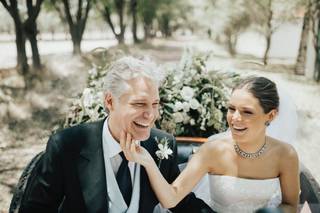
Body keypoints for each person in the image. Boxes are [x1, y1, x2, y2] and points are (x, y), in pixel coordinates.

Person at [19, 56, 213, 213]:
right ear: (110, 102)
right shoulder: (67, 145)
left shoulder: (162, 144)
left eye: (155, 104)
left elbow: (182, 203)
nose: (151, 115)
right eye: (139, 104)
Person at [122, 76, 300, 213]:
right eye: (231, 109)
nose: (235, 118)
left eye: (247, 112)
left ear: (270, 115)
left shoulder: (286, 155)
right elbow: (171, 199)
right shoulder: (213, 150)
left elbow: (291, 205)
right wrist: (147, 161)